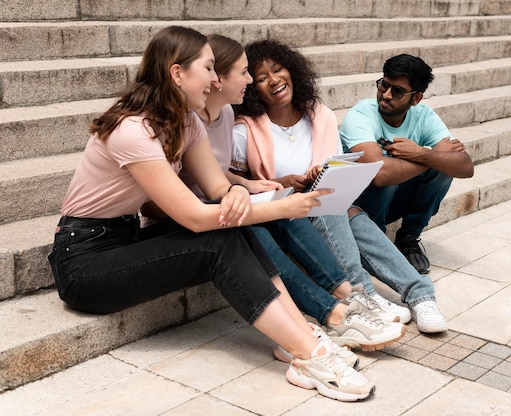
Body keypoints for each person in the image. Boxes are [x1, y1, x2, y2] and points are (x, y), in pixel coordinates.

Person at [47, 26, 374, 402]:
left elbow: (217, 186)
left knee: (235, 231)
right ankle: (309, 355)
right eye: (208, 69)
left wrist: (235, 191)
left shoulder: (185, 121)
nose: (215, 79)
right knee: (217, 239)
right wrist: (283, 207)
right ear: (177, 73)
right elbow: (196, 218)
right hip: (84, 262)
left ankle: (297, 335)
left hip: (124, 238)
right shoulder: (133, 130)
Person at [175, 34, 405, 357]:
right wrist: (242, 189)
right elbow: (190, 189)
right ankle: (332, 313)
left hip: (223, 200)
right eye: (245, 74)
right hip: (198, 212)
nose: (251, 80)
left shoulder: (225, 115)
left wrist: (252, 185)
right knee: (259, 232)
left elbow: (215, 174)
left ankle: (348, 294)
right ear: (216, 80)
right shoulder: (192, 121)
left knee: (287, 206)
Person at [232, 39, 448, 333]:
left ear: (292, 70)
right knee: (328, 201)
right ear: (251, 86)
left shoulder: (319, 115)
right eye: (260, 78)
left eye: (278, 69)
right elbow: (236, 189)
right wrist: (283, 183)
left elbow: (334, 174)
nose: (273, 81)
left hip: (326, 209)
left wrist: (319, 178)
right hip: (282, 217)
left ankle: (419, 295)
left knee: (344, 208)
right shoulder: (245, 130)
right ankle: (362, 293)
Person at [339, 54, 475, 275]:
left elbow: (465, 167)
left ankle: (408, 238)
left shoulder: (424, 116)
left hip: (394, 200)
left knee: (443, 172)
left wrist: (421, 153)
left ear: (416, 98)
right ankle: (374, 244)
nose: (386, 95)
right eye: (384, 85)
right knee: (392, 179)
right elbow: (379, 173)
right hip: (359, 205)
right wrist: (429, 158)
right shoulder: (361, 115)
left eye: (398, 91)